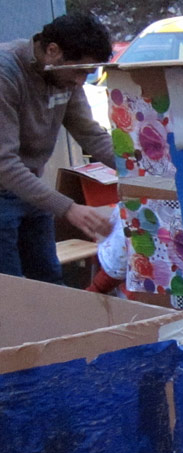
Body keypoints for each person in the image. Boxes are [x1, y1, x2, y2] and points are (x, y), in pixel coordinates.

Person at [0, 12, 115, 284]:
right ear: (53, 51)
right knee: (9, 288)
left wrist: (140, 170)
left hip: (29, 188)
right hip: (6, 184)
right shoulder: (6, 74)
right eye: (79, 71)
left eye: (88, 73)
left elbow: (90, 134)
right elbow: (4, 164)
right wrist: (69, 208)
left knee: (49, 280)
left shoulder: (62, 76)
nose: (81, 81)